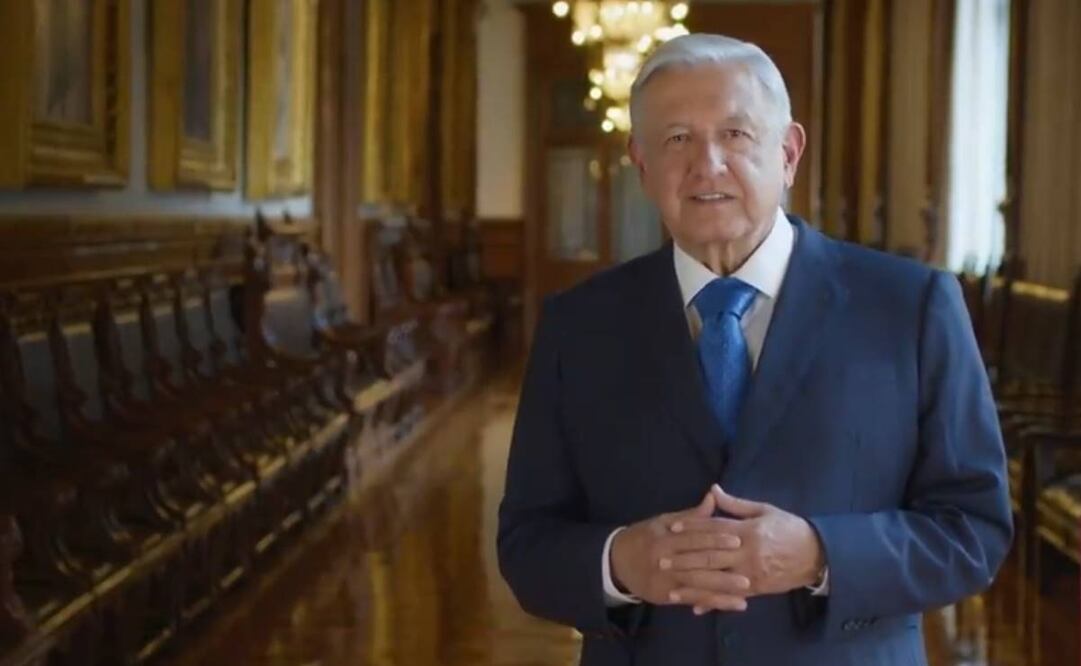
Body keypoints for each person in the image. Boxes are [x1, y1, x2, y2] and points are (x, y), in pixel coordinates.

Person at [497, 33, 1012, 666]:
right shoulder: (577, 325)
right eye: (677, 139)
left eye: (736, 134)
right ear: (642, 164)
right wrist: (618, 564)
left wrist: (822, 554)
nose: (707, 164)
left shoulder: (910, 307)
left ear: (788, 152)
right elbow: (527, 544)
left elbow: (974, 531)